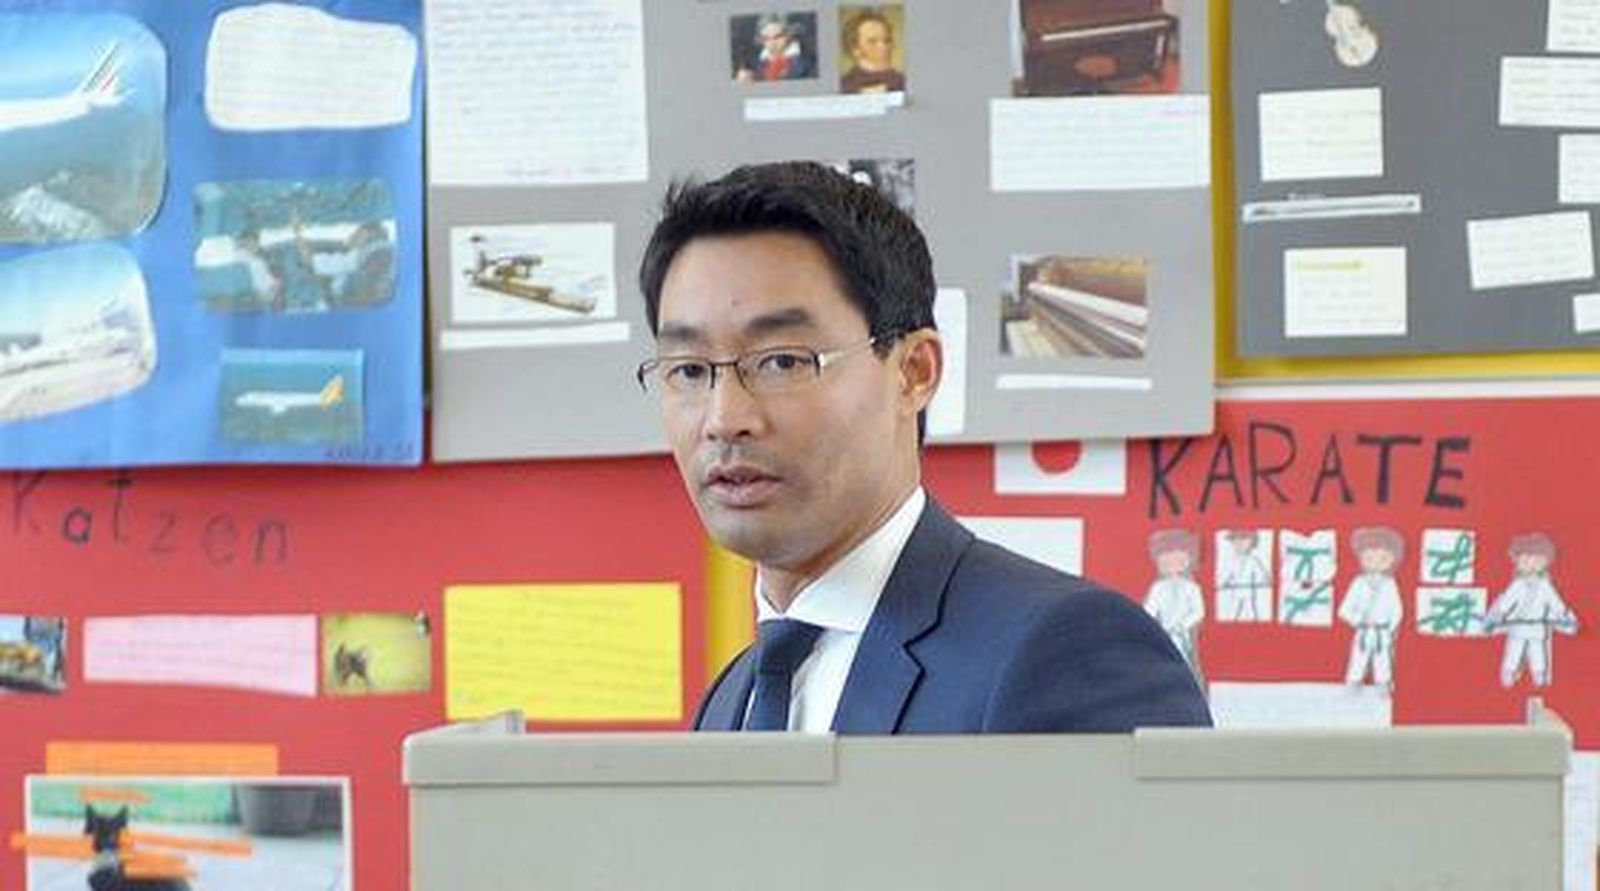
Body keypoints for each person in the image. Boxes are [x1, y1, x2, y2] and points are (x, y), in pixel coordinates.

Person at [635, 161, 1210, 733]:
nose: (724, 418)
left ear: (914, 371)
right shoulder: (732, 698)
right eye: (688, 370)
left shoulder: (1068, 650)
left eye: (783, 361)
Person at [1485, 532, 1578, 688]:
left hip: (1537, 626)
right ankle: (1509, 672)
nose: (1531, 563)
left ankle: (1539, 674)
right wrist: (1499, 614)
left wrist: (1563, 614)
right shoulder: (1518, 585)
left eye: (1536, 559)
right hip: (1519, 625)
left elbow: (1555, 602)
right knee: (1515, 650)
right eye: (1526, 559)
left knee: (1538, 652)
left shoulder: (1545, 586)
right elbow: (1508, 601)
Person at [1338, 526, 1403, 691]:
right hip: (1363, 630)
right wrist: (1359, 619)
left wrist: (1391, 628)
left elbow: (1397, 609)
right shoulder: (1358, 583)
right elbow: (1344, 609)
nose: (1374, 562)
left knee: (1383, 658)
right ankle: (1354, 680)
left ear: (1390, 559)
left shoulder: (1390, 584)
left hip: (1382, 631)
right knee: (1358, 657)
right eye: (1369, 557)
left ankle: (1383, 682)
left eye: (1381, 558)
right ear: (1361, 558)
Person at [1144, 529, 1205, 687]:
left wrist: (1182, 625)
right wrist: (1156, 626)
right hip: (1163, 634)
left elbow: (1198, 611)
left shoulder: (1192, 588)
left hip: (1182, 636)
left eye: (1178, 560)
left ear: (1188, 560)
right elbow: (1149, 609)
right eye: (1166, 561)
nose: (1172, 564)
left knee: (1185, 666)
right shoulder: (1158, 588)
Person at [840, 9, 906, 94]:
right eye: (873, 42)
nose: (884, 47)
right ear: (855, 49)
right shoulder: (847, 85)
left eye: (887, 40)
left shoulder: (901, 81)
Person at [735, 14, 813, 83]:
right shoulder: (751, 63)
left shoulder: (808, 60)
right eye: (766, 38)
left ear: (788, 34)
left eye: (777, 37)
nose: (772, 43)